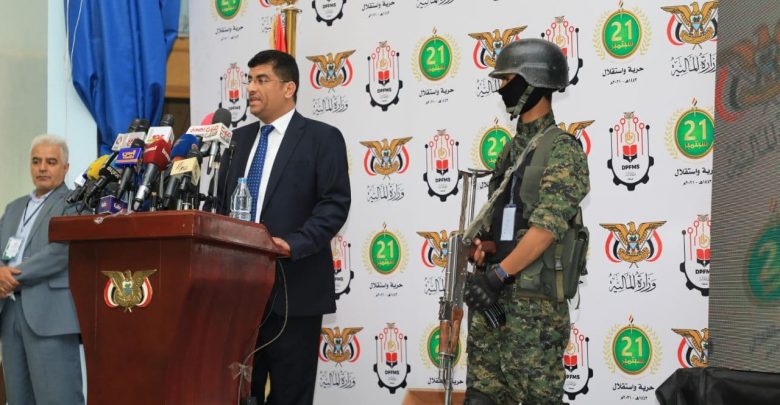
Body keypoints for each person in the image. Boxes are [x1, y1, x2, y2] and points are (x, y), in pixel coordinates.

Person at [216, 50, 351, 405]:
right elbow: (222, 207)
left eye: (262, 80)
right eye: (249, 79)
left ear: (289, 88)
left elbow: (334, 204)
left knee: (290, 396)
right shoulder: (236, 141)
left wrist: (292, 244)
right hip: (239, 294)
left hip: (295, 289)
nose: (250, 88)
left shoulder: (322, 138)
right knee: (237, 394)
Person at [462, 38, 591, 405]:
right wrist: (481, 249)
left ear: (533, 83)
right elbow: (502, 222)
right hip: (492, 301)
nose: (502, 88)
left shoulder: (562, 149)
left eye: (508, 79)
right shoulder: (510, 150)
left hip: (534, 311)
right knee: (481, 398)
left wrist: (498, 275)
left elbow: (547, 229)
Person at [0, 134, 84, 404]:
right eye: (36, 161)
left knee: (58, 398)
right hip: (10, 314)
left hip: (50, 316)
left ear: (66, 167)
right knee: (18, 397)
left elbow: (61, 251)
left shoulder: (75, 204)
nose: (42, 168)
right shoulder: (14, 208)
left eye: (51, 162)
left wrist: (12, 276)